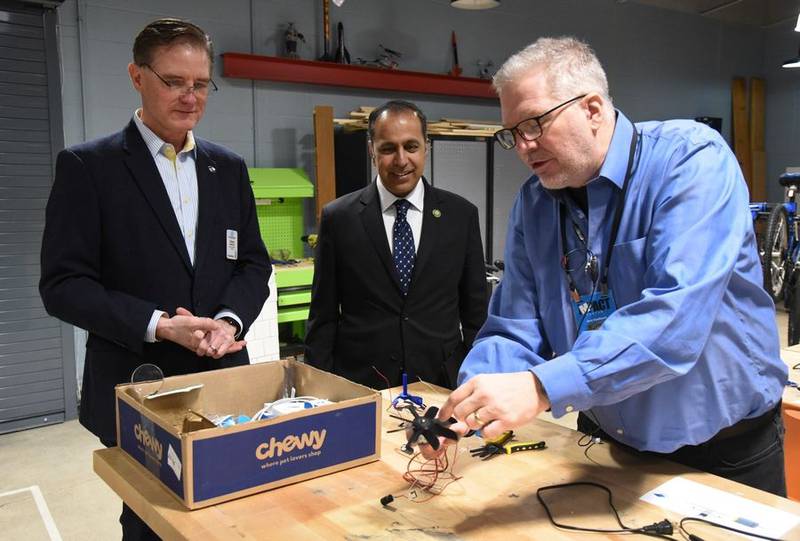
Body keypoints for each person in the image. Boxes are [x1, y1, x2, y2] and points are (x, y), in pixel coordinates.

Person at [431, 36, 788, 496]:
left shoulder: (690, 160)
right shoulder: (534, 204)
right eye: (512, 133)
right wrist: (472, 402)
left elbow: (673, 320)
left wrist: (541, 387)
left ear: (593, 109)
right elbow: (514, 327)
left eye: (535, 124)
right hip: (602, 447)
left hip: (724, 453)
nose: (524, 146)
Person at [39, 18, 271, 539]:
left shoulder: (227, 168)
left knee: (235, 514)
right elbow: (62, 284)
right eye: (173, 82)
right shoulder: (88, 167)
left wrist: (230, 322)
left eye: (200, 84)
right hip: (139, 385)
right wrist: (158, 325)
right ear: (136, 76)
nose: (190, 97)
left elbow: (254, 264)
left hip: (224, 380)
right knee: (152, 522)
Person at [305, 100, 488, 390]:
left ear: (426, 147)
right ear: (371, 150)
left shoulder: (461, 215)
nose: (401, 160)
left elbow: (476, 312)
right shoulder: (339, 218)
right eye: (388, 148)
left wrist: (477, 378)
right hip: (363, 382)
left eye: (411, 147)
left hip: (441, 382)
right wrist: (319, 391)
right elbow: (323, 317)